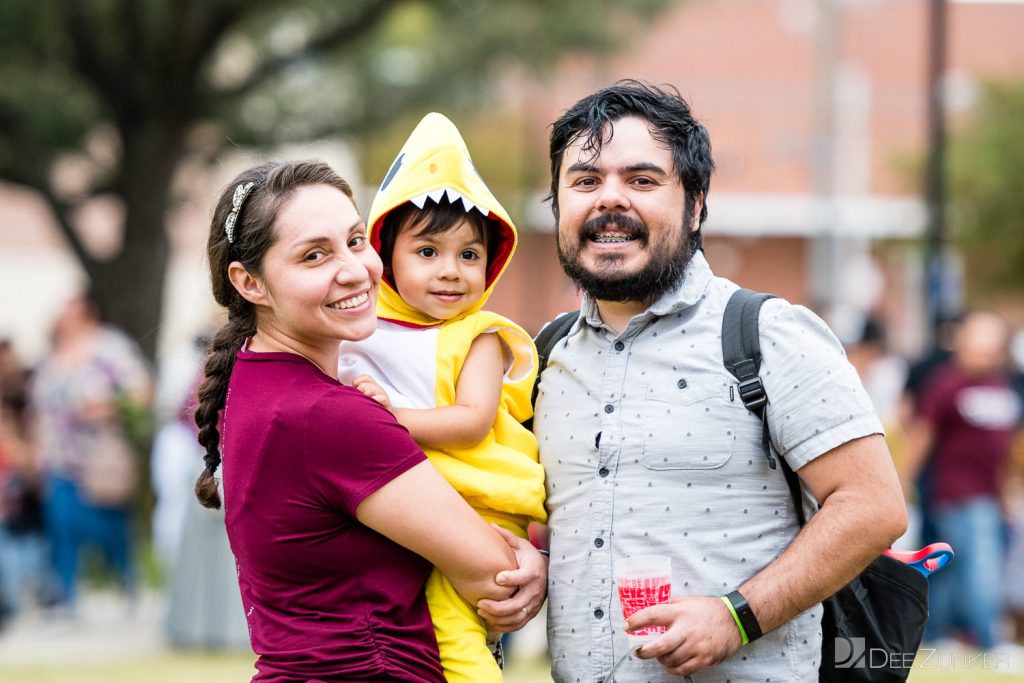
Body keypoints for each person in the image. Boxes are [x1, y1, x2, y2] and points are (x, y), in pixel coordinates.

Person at [524, 81, 906, 681]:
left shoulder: (767, 334)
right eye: (585, 181)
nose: (609, 200)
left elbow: (872, 506)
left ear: (696, 204)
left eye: (643, 181)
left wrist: (737, 617)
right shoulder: (543, 356)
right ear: (557, 205)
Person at [192, 159, 544, 681]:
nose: (355, 270)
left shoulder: (254, 380)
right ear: (250, 283)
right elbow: (495, 576)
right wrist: (529, 565)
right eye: (315, 255)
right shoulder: (330, 416)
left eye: (356, 241)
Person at [338, 113, 546, 682]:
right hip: (416, 504)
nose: (451, 272)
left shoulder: (479, 335)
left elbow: (473, 422)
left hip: (478, 504)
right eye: (427, 252)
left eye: (469, 255)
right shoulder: (363, 331)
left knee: (453, 631)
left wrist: (384, 420)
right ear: (385, 253)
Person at [902, 310, 1021, 650]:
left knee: (953, 568)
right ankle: (989, 639)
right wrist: (902, 483)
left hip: (992, 494)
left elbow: (1007, 446)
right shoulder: (946, 385)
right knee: (980, 566)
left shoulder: (1003, 387)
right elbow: (921, 437)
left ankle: (935, 635)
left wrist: (1010, 491)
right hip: (957, 492)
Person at [29, 292, 152, 612]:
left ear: (88, 311)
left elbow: (141, 391)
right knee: (61, 525)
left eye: (70, 307)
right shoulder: (54, 352)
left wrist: (104, 406)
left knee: (108, 525)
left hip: (99, 457)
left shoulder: (109, 346)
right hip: (58, 458)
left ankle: (127, 583)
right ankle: (65, 596)